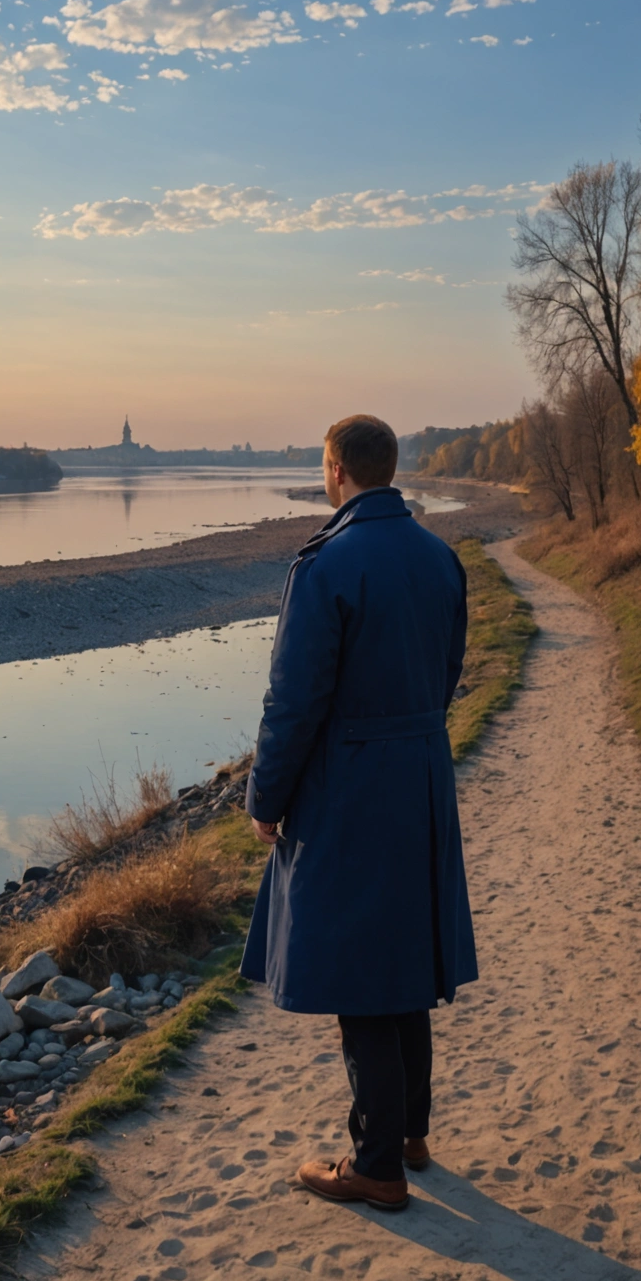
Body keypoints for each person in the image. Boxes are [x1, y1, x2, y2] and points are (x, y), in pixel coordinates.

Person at [238, 413, 477, 1212]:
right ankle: (410, 1132)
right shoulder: (440, 557)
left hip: (352, 784)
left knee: (361, 971)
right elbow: (447, 673)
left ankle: (377, 1165)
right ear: (393, 469)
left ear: (336, 470)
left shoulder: (327, 566)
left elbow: (293, 702)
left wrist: (266, 800)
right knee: (404, 951)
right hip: (420, 774)